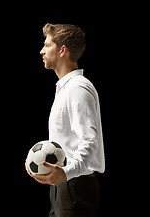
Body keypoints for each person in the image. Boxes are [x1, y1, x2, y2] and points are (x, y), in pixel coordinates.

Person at [25, 23, 105, 216]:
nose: (41, 51)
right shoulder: (66, 88)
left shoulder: (77, 88)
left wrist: (67, 173)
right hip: (64, 186)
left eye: (47, 45)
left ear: (62, 50)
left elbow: (89, 140)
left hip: (75, 186)